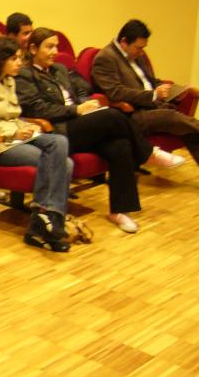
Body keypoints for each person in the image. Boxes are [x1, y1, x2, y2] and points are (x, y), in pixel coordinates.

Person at [17, 28, 184, 232]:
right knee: (113, 115)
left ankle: (120, 211)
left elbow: (83, 89)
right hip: (58, 131)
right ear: (33, 49)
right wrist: (76, 109)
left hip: (80, 123)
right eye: (49, 47)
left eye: (56, 47)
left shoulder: (59, 69)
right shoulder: (25, 74)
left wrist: (87, 104)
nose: (55, 51)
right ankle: (148, 153)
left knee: (120, 145)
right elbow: (36, 109)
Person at [0, 38, 73, 252]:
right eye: (14, 59)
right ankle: (49, 223)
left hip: (19, 136)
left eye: (20, 59)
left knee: (60, 142)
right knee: (64, 164)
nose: (19, 64)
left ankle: (43, 220)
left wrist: (27, 126)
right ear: (0, 59)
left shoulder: (9, 80)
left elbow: (13, 116)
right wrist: (14, 132)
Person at [92, 19, 199, 165]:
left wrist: (172, 91)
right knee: (173, 118)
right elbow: (114, 92)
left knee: (190, 131)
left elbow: (151, 81)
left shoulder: (137, 56)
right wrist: (153, 95)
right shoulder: (105, 58)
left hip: (153, 107)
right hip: (132, 113)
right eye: (138, 48)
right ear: (124, 42)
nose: (141, 52)